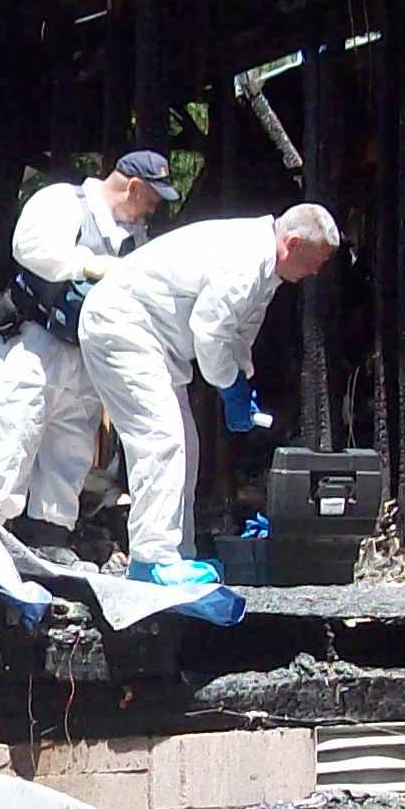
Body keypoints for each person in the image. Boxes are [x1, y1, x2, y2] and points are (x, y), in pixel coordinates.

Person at [77, 202, 342, 584]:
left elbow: (238, 331)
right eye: (314, 261)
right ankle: (153, 560)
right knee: (161, 439)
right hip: (121, 327)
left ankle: (176, 553)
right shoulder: (244, 260)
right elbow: (211, 331)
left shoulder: (267, 269)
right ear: (293, 243)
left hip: (153, 339)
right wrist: (228, 384)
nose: (316, 271)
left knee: (184, 442)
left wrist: (240, 378)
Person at [0, 148, 172, 544]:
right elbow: (31, 249)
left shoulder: (135, 238)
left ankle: (50, 536)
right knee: (12, 433)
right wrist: (89, 265)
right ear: (133, 187)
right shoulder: (62, 201)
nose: (152, 210)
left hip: (85, 353)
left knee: (71, 447)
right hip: (33, 344)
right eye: (151, 199)